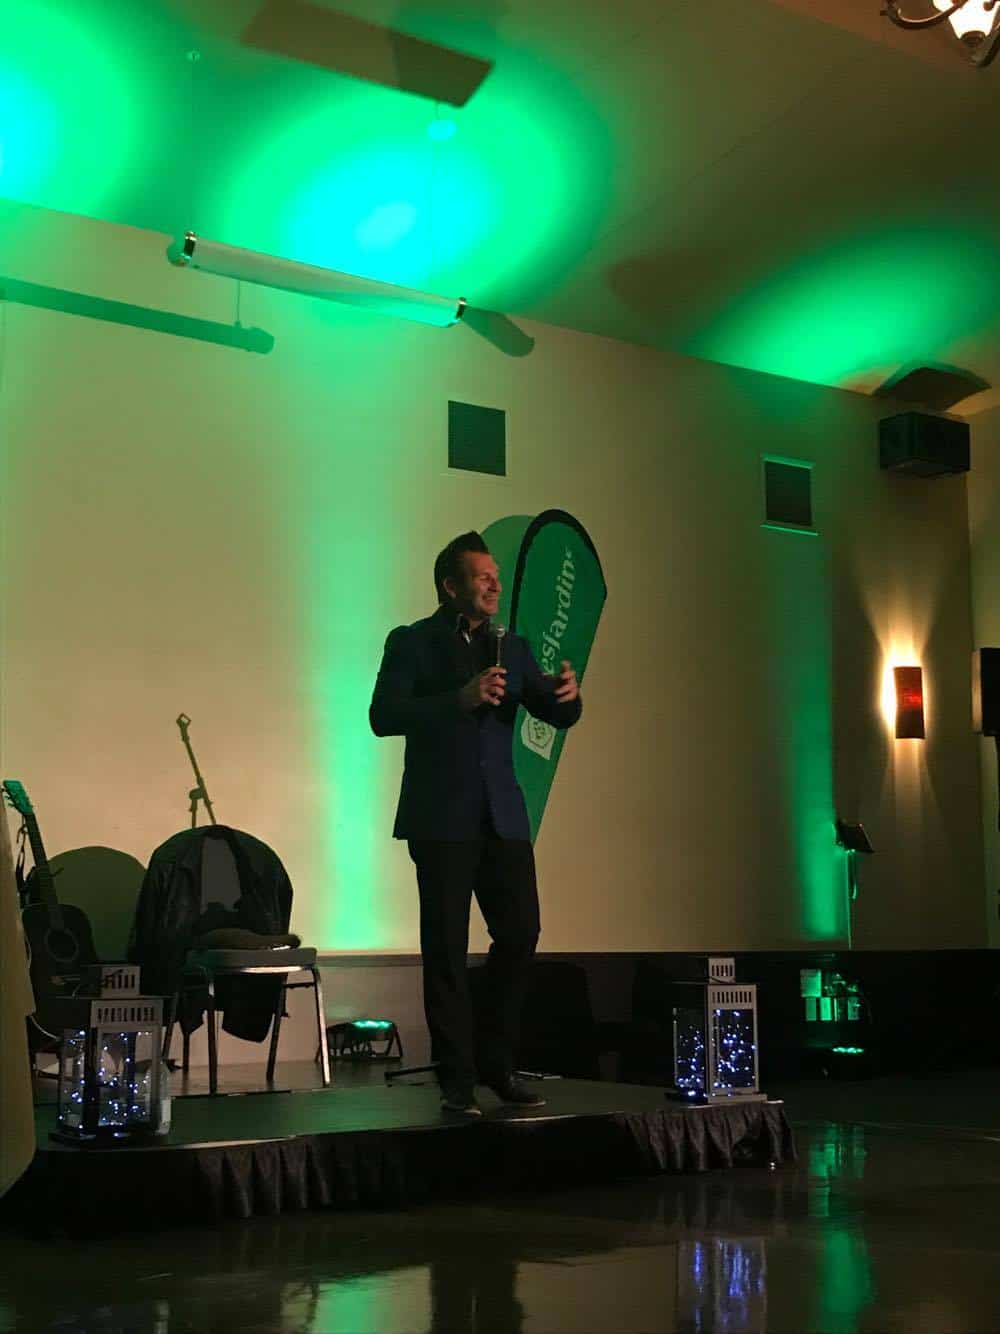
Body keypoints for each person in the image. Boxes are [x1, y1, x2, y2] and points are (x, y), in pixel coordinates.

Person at [370, 531, 582, 1116]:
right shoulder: (413, 641)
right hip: (440, 817)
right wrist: (457, 699)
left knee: (520, 933)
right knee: (446, 949)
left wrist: (567, 697)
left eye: (496, 576)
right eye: (482, 576)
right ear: (450, 585)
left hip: (502, 816)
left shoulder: (512, 647)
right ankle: (456, 1079)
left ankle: (497, 1062)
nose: (494, 584)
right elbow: (383, 715)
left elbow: (551, 709)